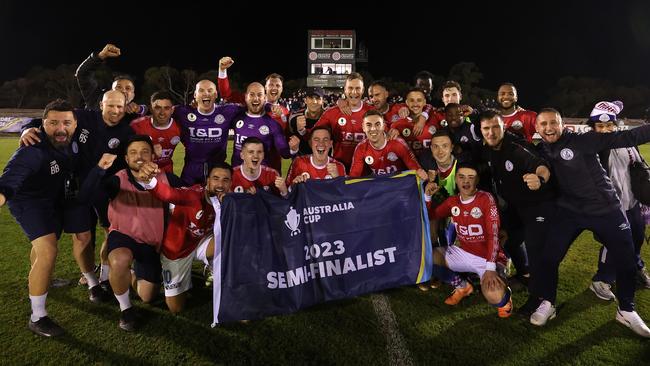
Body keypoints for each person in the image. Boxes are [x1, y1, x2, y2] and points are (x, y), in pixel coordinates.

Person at [529, 107, 650, 338]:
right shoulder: (542, 149)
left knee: (626, 260)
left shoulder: (583, 141)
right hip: (569, 211)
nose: (548, 128)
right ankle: (548, 302)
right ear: (537, 128)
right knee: (549, 257)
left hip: (605, 209)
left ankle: (626, 310)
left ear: (562, 124)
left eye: (553, 123)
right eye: (543, 124)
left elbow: (628, 137)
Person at [82, 135, 185, 331]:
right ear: (126, 159)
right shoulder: (117, 180)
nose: (139, 156)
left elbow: (191, 195)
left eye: (145, 152)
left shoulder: (166, 178)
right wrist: (99, 170)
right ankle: (126, 309)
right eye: (133, 153)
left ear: (152, 157)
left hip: (151, 243)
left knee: (147, 296)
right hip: (124, 236)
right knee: (120, 259)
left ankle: (124, 273)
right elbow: (86, 196)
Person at [0, 99, 80, 337]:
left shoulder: (68, 137)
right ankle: (37, 317)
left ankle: (43, 278)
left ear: (75, 124)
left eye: (66, 122)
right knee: (48, 250)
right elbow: (10, 180)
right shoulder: (32, 150)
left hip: (51, 199)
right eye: (52, 123)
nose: (60, 128)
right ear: (44, 125)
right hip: (28, 202)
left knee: (46, 245)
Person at [479, 110, 556, 315]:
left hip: (536, 206)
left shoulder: (515, 147)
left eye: (496, 127)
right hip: (513, 208)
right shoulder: (485, 149)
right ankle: (525, 274)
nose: (491, 132)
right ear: (481, 131)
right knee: (510, 240)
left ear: (503, 126)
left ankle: (540, 299)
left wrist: (539, 179)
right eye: (486, 128)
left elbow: (541, 166)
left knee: (535, 248)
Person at [137, 161, 232, 313]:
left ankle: (217, 270)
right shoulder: (193, 195)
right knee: (175, 307)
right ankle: (134, 274)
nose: (220, 184)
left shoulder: (228, 200)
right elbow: (168, 194)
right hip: (177, 250)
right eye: (216, 178)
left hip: (200, 241)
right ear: (207, 181)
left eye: (225, 180)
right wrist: (149, 182)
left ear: (230, 184)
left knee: (231, 241)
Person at [425, 162, 513, 318]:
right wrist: (427, 196)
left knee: (495, 294)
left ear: (477, 180)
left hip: (489, 259)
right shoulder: (453, 202)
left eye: (470, 177)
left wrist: (491, 268)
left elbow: (493, 234)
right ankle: (463, 286)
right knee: (425, 259)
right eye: (461, 177)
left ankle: (505, 299)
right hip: (465, 253)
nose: (466, 181)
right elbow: (431, 216)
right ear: (456, 180)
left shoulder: (486, 199)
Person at [584, 101, 650, 301]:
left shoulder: (627, 141)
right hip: (610, 206)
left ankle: (636, 267)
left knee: (637, 238)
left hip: (633, 202)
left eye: (609, 125)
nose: (605, 130)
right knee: (614, 243)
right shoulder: (592, 147)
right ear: (593, 127)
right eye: (600, 126)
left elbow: (640, 164)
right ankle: (601, 279)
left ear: (615, 125)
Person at [172, 79, 244, 184]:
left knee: (217, 199)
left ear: (215, 95)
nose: (206, 93)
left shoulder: (228, 111)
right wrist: (140, 109)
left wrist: (271, 107)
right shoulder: (183, 111)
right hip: (191, 169)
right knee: (186, 198)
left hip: (217, 170)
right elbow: (159, 111)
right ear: (195, 95)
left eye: (210, 91)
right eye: (201, 91)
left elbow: (253, 107)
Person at [312, 72, 373, 170]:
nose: (354, 92)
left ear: (363, 90)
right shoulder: (331, 113)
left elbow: (385, 134)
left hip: (366, 170)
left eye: (357, 88)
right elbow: (313, 135)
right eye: (350, 88)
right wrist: (301, 130)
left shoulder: (372, 113)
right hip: (339, 170)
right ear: (345, 90)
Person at [230, 82, 299, 168]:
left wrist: (293, 148)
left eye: (259, 95)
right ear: (246, 97)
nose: (256, 98)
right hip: (238, 177)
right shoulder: (236, 117)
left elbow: (285, 154)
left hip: (262, 178)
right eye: (252, 95)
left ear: (265, 98)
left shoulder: (273, 125)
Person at [349, 110, 427, 179]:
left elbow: (415, 167)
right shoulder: (361, 147)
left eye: (377, 124)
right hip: (379, 187)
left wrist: (420, 172)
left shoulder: (398, 143)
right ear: (363, 127)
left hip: (399, 187)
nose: (373, 129)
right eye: (368, 125)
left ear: (384, 126)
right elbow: (354, 177)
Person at [75, 43, 146, 115]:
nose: (123, 90)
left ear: (133, 96)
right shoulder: (96, 99)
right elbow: (83, 74)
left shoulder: (134, 115)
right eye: (118, 87)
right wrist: (101, 55)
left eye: (128, 88)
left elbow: (151, 110)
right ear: (111, 91)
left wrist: (141, 109)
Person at [130, 91, 181, 173]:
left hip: (166, 171)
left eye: (166, 108)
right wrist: (148, 149)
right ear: (151, 109)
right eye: (157, 108)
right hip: (142, 171)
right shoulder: (137, 125)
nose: (162, 113)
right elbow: (126, 153)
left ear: (172, 110)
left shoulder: (180, 126)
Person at [390, 88, 441, 157]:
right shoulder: (397, 124)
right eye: (412, 100)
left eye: (419, 100)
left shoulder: (435, 118)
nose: (415, 104)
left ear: (424, 102)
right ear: (407, 102)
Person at [289, 87, 326, 155]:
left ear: (322, 101)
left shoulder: (330, 117)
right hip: (301, 161)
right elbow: (291, 144)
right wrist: (293, 150)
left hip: (324, 162)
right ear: (305, 100)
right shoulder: (294, 118)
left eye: (317, 98)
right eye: (311, 98)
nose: (314, 101)